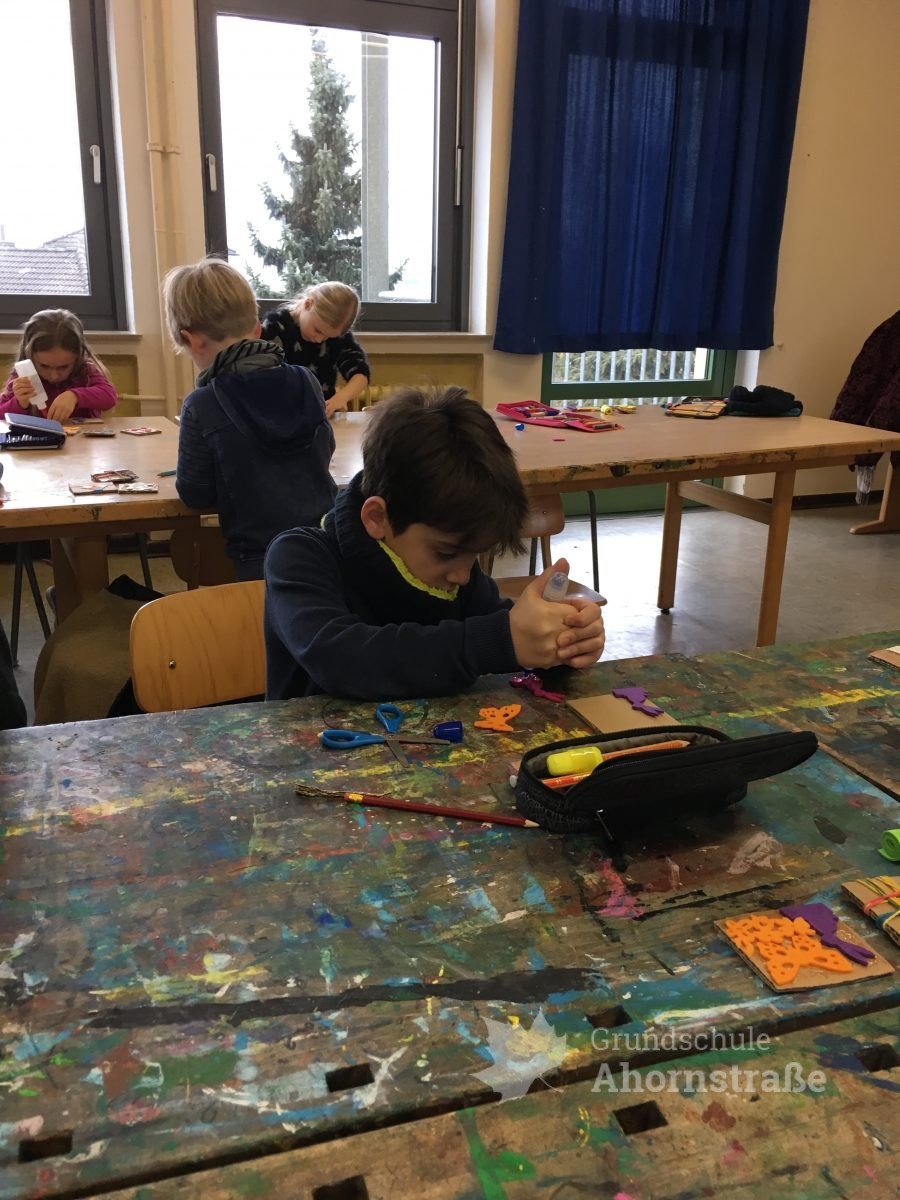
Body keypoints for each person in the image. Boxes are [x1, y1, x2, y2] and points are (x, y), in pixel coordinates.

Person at [264, 385, 606, 700]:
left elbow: (510, 633)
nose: (462, 575)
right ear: (377, 518)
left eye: (474, 556)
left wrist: (560, 643)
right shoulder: (299, 558)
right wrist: (501, 641)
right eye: (445, 552)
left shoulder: (458, 575)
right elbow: (343, 660)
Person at [165, 257, 337, 582]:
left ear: (192, 339)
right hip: (325, 545)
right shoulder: (306, 381)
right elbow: (323, 451)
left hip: (257, 563)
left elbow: (195, 494)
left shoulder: (201, 404)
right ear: (257, 328)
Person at [260, 281, 370, 419]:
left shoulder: (337, 336)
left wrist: (341, 397)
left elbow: (360, 374)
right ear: (308, 304)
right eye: (317, 330)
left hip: (321, 417)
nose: (320, 339)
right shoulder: (275, 326)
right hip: (281, 417)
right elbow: (265, 379)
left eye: (328, 336)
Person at [0, 309, 117, 421]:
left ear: (78, 357)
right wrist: (19, 403)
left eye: (63, 367)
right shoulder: (23, 377)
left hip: (82, 435)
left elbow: (109, 396)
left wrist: (75, 396)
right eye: (44, 366)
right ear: (30, 357)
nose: (54, 376)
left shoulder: (85, 370)